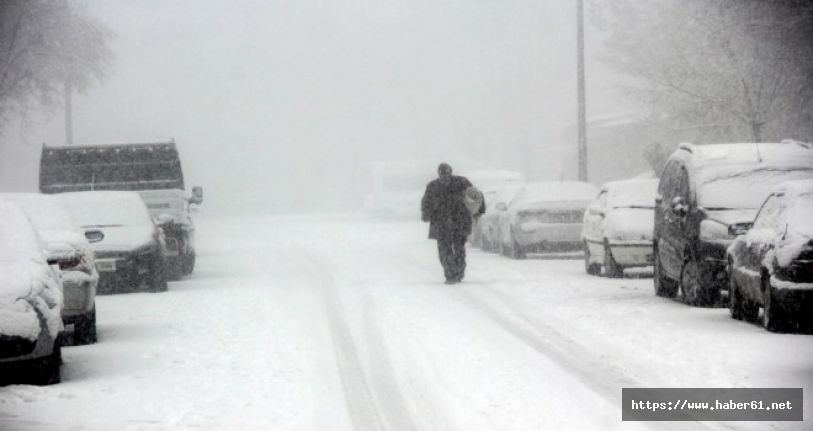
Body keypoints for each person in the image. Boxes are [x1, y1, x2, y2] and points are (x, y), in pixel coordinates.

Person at [421, 163, 485, 284]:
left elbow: (426, 203)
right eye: (444, 175)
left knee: (447, 249)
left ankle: (452, 273)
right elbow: (477, 195)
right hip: (456, 222)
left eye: (446, 174)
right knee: (456, 248)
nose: (445, 177)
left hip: (446, 223)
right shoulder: (462, 182)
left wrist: (426, 215)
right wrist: (478, 211)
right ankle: (455, 272)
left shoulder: (434, 186)